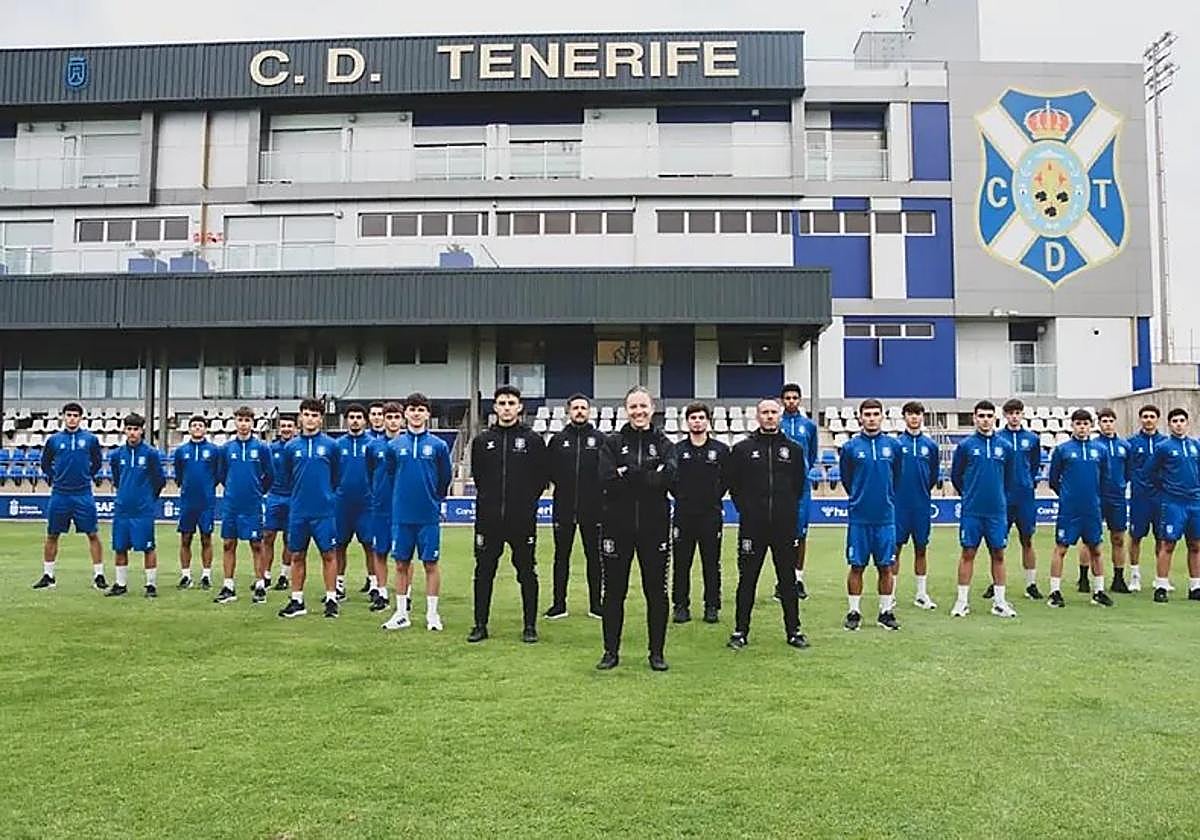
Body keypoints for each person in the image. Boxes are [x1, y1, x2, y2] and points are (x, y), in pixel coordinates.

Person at [596, 386, 674, 671]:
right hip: (617, 527)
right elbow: (606, 480)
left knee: (656, 592)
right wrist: (651, 474)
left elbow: (671, 481)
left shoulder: (665, 443)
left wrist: (628, 472)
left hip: (654, 528)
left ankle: (656, 653)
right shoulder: (612, 443)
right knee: (614, 592)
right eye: (633, 407)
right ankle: (610, 652)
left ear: (652, 409)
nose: (639, 412)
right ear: (626, 410)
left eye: (643, 406)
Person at [725, 398, 810, 651]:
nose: (769, 416)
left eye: (774, 412)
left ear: (780, 415)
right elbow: (735, 485)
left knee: (787, 580)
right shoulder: (742, 449)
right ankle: (740, 631)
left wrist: (787, 512)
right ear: (757, 416)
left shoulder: (793, 450)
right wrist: (748, 510)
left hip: (784, 527)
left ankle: (794, 630)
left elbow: (798, 485)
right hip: (753, 527)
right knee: (747, 579)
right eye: (765, 412)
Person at [467, 385, 548, 644]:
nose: (506, 408)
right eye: (502, 403)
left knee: (526, 572)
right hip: (489, 520)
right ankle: (480, 625)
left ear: (520, 407)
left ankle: (530, 627)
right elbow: (479, 477)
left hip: (521, 520)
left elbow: (540, 479)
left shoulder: (533, 440)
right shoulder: (482, 441)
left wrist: (523, 503)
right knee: (484, 571)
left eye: (511, 403)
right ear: (495, 407)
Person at [381, 394, 452, 631]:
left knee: (430, 564)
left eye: (421, 409)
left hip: (428, 515)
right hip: (401, 515)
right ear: (405, 414)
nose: (416, 413)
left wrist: (434, 499)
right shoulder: (394, 446)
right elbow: (391, 475)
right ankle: (401, 613)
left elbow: (445, 478)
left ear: (427, 414)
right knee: (401, 564)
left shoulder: (438, 446)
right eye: (412, 409)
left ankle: (432, 614)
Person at [839, 399, 904, 631]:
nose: (872, 418)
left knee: (886, 566)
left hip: (885, 518)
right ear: (860, 417)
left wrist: (885, 498)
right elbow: (847, 479)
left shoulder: (893, 446)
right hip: (859, 518)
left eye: (876, 414)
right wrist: (858, 498)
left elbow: (896, 477)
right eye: (867, 414)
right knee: (857, 566)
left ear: (882, 416)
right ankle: (854, 612)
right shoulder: (850, 447)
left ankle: (885, 612)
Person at [949, 400, 1019, 619]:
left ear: (994, 418)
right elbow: (956, 477)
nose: (985, 420)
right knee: (968, 553)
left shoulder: (1005, 447)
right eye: (981, 416)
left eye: (989, 416)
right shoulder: (966, 446)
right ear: (974, 418)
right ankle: (962, 602)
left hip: (997, 511)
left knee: (998, 554)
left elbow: (1008, 479)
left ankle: (999, 602)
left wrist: (998, 498)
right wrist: (970, 495)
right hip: (972, 511)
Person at [277, 399, 342, 619]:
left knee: (329, 555)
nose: (310, 419)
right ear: (300, 417)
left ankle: (332, 600)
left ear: (321, 419)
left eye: (315, 415)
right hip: (298, 511)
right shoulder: (291, 447)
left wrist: (327, 496)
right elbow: (287, 477)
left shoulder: (331, 446)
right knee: (297, 555)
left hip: (324, 511)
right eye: (306, 414)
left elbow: (336, 477)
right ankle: (297, 600)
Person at [665, 402, 729, 624]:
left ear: (708, 421)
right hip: (684, 514)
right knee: (681, 563)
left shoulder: (721, 450)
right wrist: (682, 497)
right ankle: (681, 606)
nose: (697, 421)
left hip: (710, 515)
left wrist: (712, 498)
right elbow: (671, 480)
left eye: (701, 417)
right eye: (693, 418)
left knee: (711, 563)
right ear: (687, 422)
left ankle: (712, 606)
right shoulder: (677, 450)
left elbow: (726, 481)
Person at [34, 402, 106, 591]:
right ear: (63, 417)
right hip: (60, 494)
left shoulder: (90, 439)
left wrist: (86, 476)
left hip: (83, 494)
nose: (72, 418)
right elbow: (45, 463)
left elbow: (97, 462)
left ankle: (99, 575)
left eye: (75, 415)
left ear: (81, 418)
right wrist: (54, 476)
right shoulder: (54, 440)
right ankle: (48, 575)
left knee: (92, 534)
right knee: (52, 534)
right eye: (69, 415)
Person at [545, 393, 604, 620]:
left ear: (589, 411)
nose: (579, 411)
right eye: (575, 408)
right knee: (561, 556)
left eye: (583, 408)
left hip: (594, 508)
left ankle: (596, 605)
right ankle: (559, 604)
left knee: (594, 557)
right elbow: (548, 472)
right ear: (568, 411)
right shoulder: (558, 440)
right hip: (564, 507)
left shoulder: (600, 439)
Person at [1046, 410, 1113, 608]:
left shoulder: (1100, 450)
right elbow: (1053, 480)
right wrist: (1068, 496)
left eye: (1085, 423)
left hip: (1092, 508)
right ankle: (1055, 592)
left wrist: (1094, 498)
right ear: (1072, 425)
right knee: (1061, 548)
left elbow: (1105, 479)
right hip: (1069, 510)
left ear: (1091, 426)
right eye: (1078, 423)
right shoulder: (1062, 450)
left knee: (1096, 549)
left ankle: (1099, 591)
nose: (1082, 427)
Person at [214, 406, 272, 605]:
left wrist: (257, 491)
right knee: (228, 544)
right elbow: (221, 475)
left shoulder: (262, 448)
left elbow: (269, 475)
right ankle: (228, 586)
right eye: (240, 420)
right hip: (231, 504)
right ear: (235, 422)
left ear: (252, 423)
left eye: (247, 420)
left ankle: (260, 585)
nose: (243, 424)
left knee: (257, 544)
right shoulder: (226, 449)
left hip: (252, 504)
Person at [105, 414, 166, 598]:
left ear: (142, 431)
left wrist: (148, 498)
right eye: (129, 429)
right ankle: (120, 584)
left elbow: (159, 480)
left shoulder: (151, 454)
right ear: (124, 430)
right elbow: (117, 479)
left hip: (142, 510)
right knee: (120, 547)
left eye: (136, 429)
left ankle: (150, 585)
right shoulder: (116, 455)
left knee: (147, 547)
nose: (132, 433)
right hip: (123, 509)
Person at [1146, 408, 1200, 603]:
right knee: (1168, 543)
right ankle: (1161, 585)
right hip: (1173, 503)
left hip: (1195, 502)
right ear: (1169, 424)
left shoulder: (1196, 445)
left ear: (1187, 423)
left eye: (1182, 420)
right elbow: (1150, 473)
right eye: (1175, 421)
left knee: (1195, 544)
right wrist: (1167, 489)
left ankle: (1195, 586)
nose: (1178, 424)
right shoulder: (1164, 447)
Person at [991, 398, 1043, 601]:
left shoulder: (1032, 439)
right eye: (1010, 412)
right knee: (997, 543)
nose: (1014, 416)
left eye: (1017, 412)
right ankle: (996, 583)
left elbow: (1035, 464)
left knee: (1027, 540)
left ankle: (1030, 584)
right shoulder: (997, 438)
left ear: (1022, 414)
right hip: (1002, 498)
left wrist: (1028, 482)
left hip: (1024, 498)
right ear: (1004, 415)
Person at [893, 401, 941, 610]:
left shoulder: (930, 446)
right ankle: (890, 594)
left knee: (921, 549)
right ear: (904, 417)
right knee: (895, 550)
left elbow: (932, 476)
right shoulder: (895, 444)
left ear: (922, 417)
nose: (914, 418)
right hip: (899, 506)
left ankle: (921, 594)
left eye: (918, 414)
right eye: (910, 414)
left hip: (921, 506)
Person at [779, 383, 818, 600]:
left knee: (801, 534)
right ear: (782, 400)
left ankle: (798, 578)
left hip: (801, 487)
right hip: (780, 487)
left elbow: (811, 456)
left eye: (795, 398)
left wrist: (801, 471)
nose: (791, 401)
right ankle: (782, 580)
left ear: (800, 400)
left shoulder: (809, 426)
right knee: (780, 534)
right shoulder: (778, 422)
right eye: (787, 398)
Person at [173, 415, 222, 591]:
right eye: (194, 425)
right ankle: (186, 575)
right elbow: (178, 474)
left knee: (206, 538)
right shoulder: (181, 451)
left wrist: (208, 487)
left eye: (200, 425)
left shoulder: (214, 450)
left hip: (206, 502)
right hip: (187, 501)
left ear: (205, 428)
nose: (197, 428)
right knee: (185, 538)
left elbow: (218, 474)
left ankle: (206, 575)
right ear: (189, 429)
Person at [365, 402, 403, 613]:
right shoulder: (373, 447)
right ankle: (381, 593)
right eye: (389, 417)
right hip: (380, 507)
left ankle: (403, 594)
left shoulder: (407, 444)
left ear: (402, 420)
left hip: (402, 508)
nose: (392, 421)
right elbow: (370, 474)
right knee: (379, 552)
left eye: (396, 417)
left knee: (403, 555)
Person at [333, 403, 373, 598]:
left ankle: (374, 584)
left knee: (369, 545)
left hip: (366, 504)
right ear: (346, 420)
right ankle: (338, 585)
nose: (355, 420)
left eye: (359, 417)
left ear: (365, 420)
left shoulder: (373, 444)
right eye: (352, 417)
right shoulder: (337, 445)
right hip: (342, 504)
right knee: (339, 545)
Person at [1127, 404, 1167, 593]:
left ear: (1157, 419)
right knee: (1136, 537)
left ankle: (1161, 577)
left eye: (1152, 416)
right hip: (1139, 497)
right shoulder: (1132, 443)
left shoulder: (1165, 442)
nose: (1148, 419)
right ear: (1140, 419)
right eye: (1145, 416)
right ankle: (1135, 575)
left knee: (1162, 538)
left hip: (1160, 497)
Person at [1095, 408, 1132, 594]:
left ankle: (1118, 578)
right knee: (1091, 539)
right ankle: (1085, 576)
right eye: (1104, 421)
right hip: (1096, 497)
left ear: (1115, 422)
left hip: (1117, 497)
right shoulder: (1093, 445)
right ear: (1099, 423)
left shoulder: (1124, 446)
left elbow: (1128, 472)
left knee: (1118, 538)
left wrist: (1119, 484)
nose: (1107, 424)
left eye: (1110, 420)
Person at [264, 415, 297, 591]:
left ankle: (284, 574)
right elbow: (265, 472)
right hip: (274, 496)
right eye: (283, 426)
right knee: (268, 535)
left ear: (295, 428)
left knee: (289, 538)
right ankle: (266, 575)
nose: (286, 429)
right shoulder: (271, 449)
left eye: (289, 426)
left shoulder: (299, 447)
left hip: (293, 497)